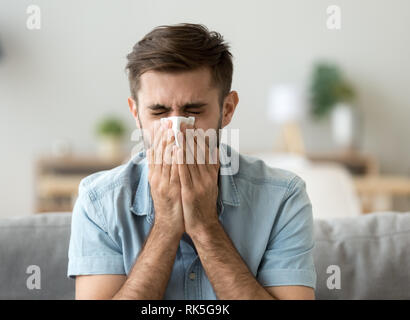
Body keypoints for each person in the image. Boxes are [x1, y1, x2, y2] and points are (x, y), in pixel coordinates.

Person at [67, 23, 316, 300]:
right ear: (135, 113)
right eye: (159, 111)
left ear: (227, 109)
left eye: (193, 110)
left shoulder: (283, 198)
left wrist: (205, 226)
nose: (177, 130)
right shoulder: (98, 203)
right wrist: (165, 226)